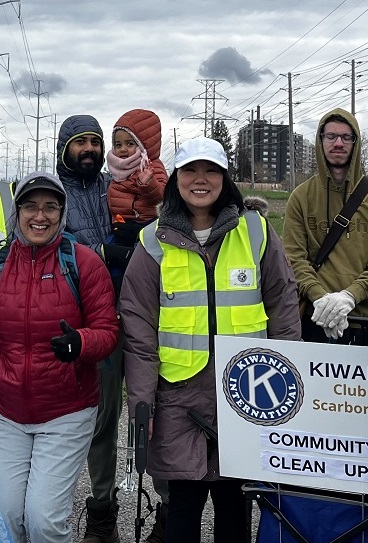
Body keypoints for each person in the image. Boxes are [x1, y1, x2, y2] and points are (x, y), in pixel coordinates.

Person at [120, 135, 301, 543]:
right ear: (176, 179)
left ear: (224, 178)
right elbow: (138, 330)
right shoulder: (152, 242)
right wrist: (142, 405)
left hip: (248, 395)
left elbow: (283, 307)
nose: (200, 179)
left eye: (211, 171)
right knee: (182, 505)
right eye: (190, 170)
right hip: (179, 397)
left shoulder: (256, 232)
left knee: (235, 505)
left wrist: (288, 384)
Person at [0, 171, 118, 542]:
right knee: (9, 517)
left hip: (66, 410)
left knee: (45, 521)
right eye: (31, 206)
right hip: (8, 413)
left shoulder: (82, 262)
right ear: (16, 212)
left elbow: (108, 331)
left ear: (62, 213)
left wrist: (81, 343)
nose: (40, 216)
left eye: (51, 207)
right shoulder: (1, 264)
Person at [57, 115, 132, 542]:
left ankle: (166, 508)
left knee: (153, 411)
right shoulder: (54, 193)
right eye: (80, 142)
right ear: (64, 147)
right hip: (91, 320)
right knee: (103, 418)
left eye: (95, 142)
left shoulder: (115, 185)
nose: (89, 149)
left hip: (139, 313)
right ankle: (102, 510)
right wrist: (102, 250)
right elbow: (49, 240)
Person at [283, 107, 368, 344]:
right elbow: (294, 258)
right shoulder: (301, 197)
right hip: (314, 317)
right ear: (320, 140)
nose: (338, 143)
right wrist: (321, 299)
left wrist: (349, 297)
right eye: (331, 136)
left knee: (359, 383)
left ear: (356, 142)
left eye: (346, 137)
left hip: (367, 320)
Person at [106, 108, 168, 252]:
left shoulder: (149, 166)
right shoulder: (117, 169)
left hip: (146, 228)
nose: (123, 149)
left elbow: (162, 197)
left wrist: (147, 183)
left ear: (143, 145)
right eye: (118, 144)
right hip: (121, 228)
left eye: (130, 144)